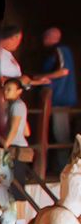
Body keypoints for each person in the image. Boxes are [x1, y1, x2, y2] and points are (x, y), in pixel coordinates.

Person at [0, 78, 32, 224]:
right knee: (15, 183)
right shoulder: (15, 106)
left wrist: (5, 145)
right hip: (18, 144)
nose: (6, 92)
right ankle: (17, 220)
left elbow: (14, 127)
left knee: (18, 185)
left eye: (10, 89)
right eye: (5, 89)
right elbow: (26, 131)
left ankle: (20, 221)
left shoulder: (17, 106)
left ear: (19, 91)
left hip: (16, 148)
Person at [41, 28, 75, 164]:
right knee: (55, 133)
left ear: (52, 37)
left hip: (60, 98)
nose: (42, 40)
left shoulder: (61, 50)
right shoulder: (53, 52)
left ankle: (63, 167)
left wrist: (41, 77)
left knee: (61, 134)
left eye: (45, 37)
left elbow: (64, 71)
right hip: (55, 99)